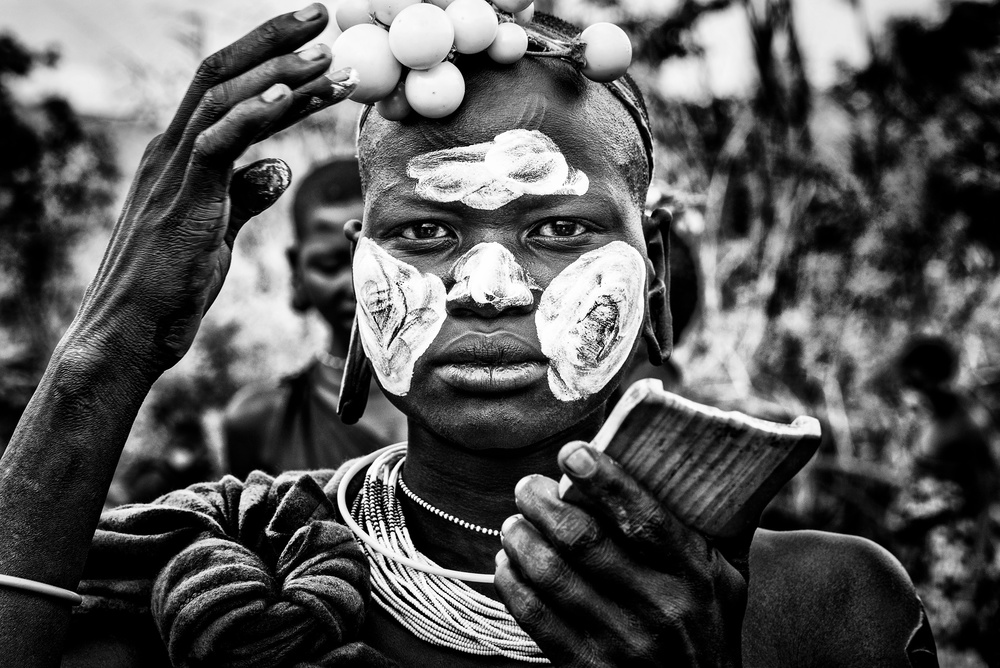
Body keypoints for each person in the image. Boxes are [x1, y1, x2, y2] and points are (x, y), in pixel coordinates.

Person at [0, 6, 939, 667]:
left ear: (651, 264)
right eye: (426, 232)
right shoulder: (232, 583)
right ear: (360, 273)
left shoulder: (829, 607)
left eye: (559, 229)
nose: (487, 289)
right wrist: (108, 345)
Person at [223, 157, 406, 478]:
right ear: (297, 271)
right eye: (330, 265)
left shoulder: (466, 402)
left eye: (379, 260)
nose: (359, 284)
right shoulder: (261, 419)